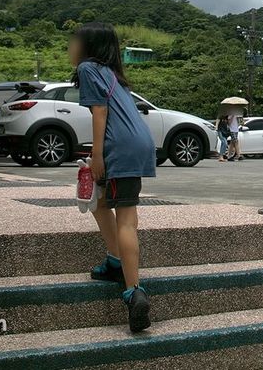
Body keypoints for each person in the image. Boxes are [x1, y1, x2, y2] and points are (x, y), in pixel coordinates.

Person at [69, 22, 155, 333]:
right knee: (100, 202)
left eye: (75, 41)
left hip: (120, 147)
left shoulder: (89, 68)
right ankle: (115, 260)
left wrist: (97, 155)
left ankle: (134, 292)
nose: (70, 46)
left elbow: (100, 114)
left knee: (126, 219)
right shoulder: (111, 73)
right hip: (134, 142)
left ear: (89, 46)